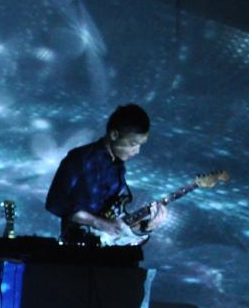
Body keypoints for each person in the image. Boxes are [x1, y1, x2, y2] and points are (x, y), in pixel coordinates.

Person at [45, 104, 168, 244]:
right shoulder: (80, 158)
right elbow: (54, 203)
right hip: (76, 249)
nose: (137, 151)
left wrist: (146, 227)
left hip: (106, 249)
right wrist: (97, 222)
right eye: (133, 144)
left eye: (140, 145)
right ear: (114, 135)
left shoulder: (118, 168)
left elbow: (116, 222)